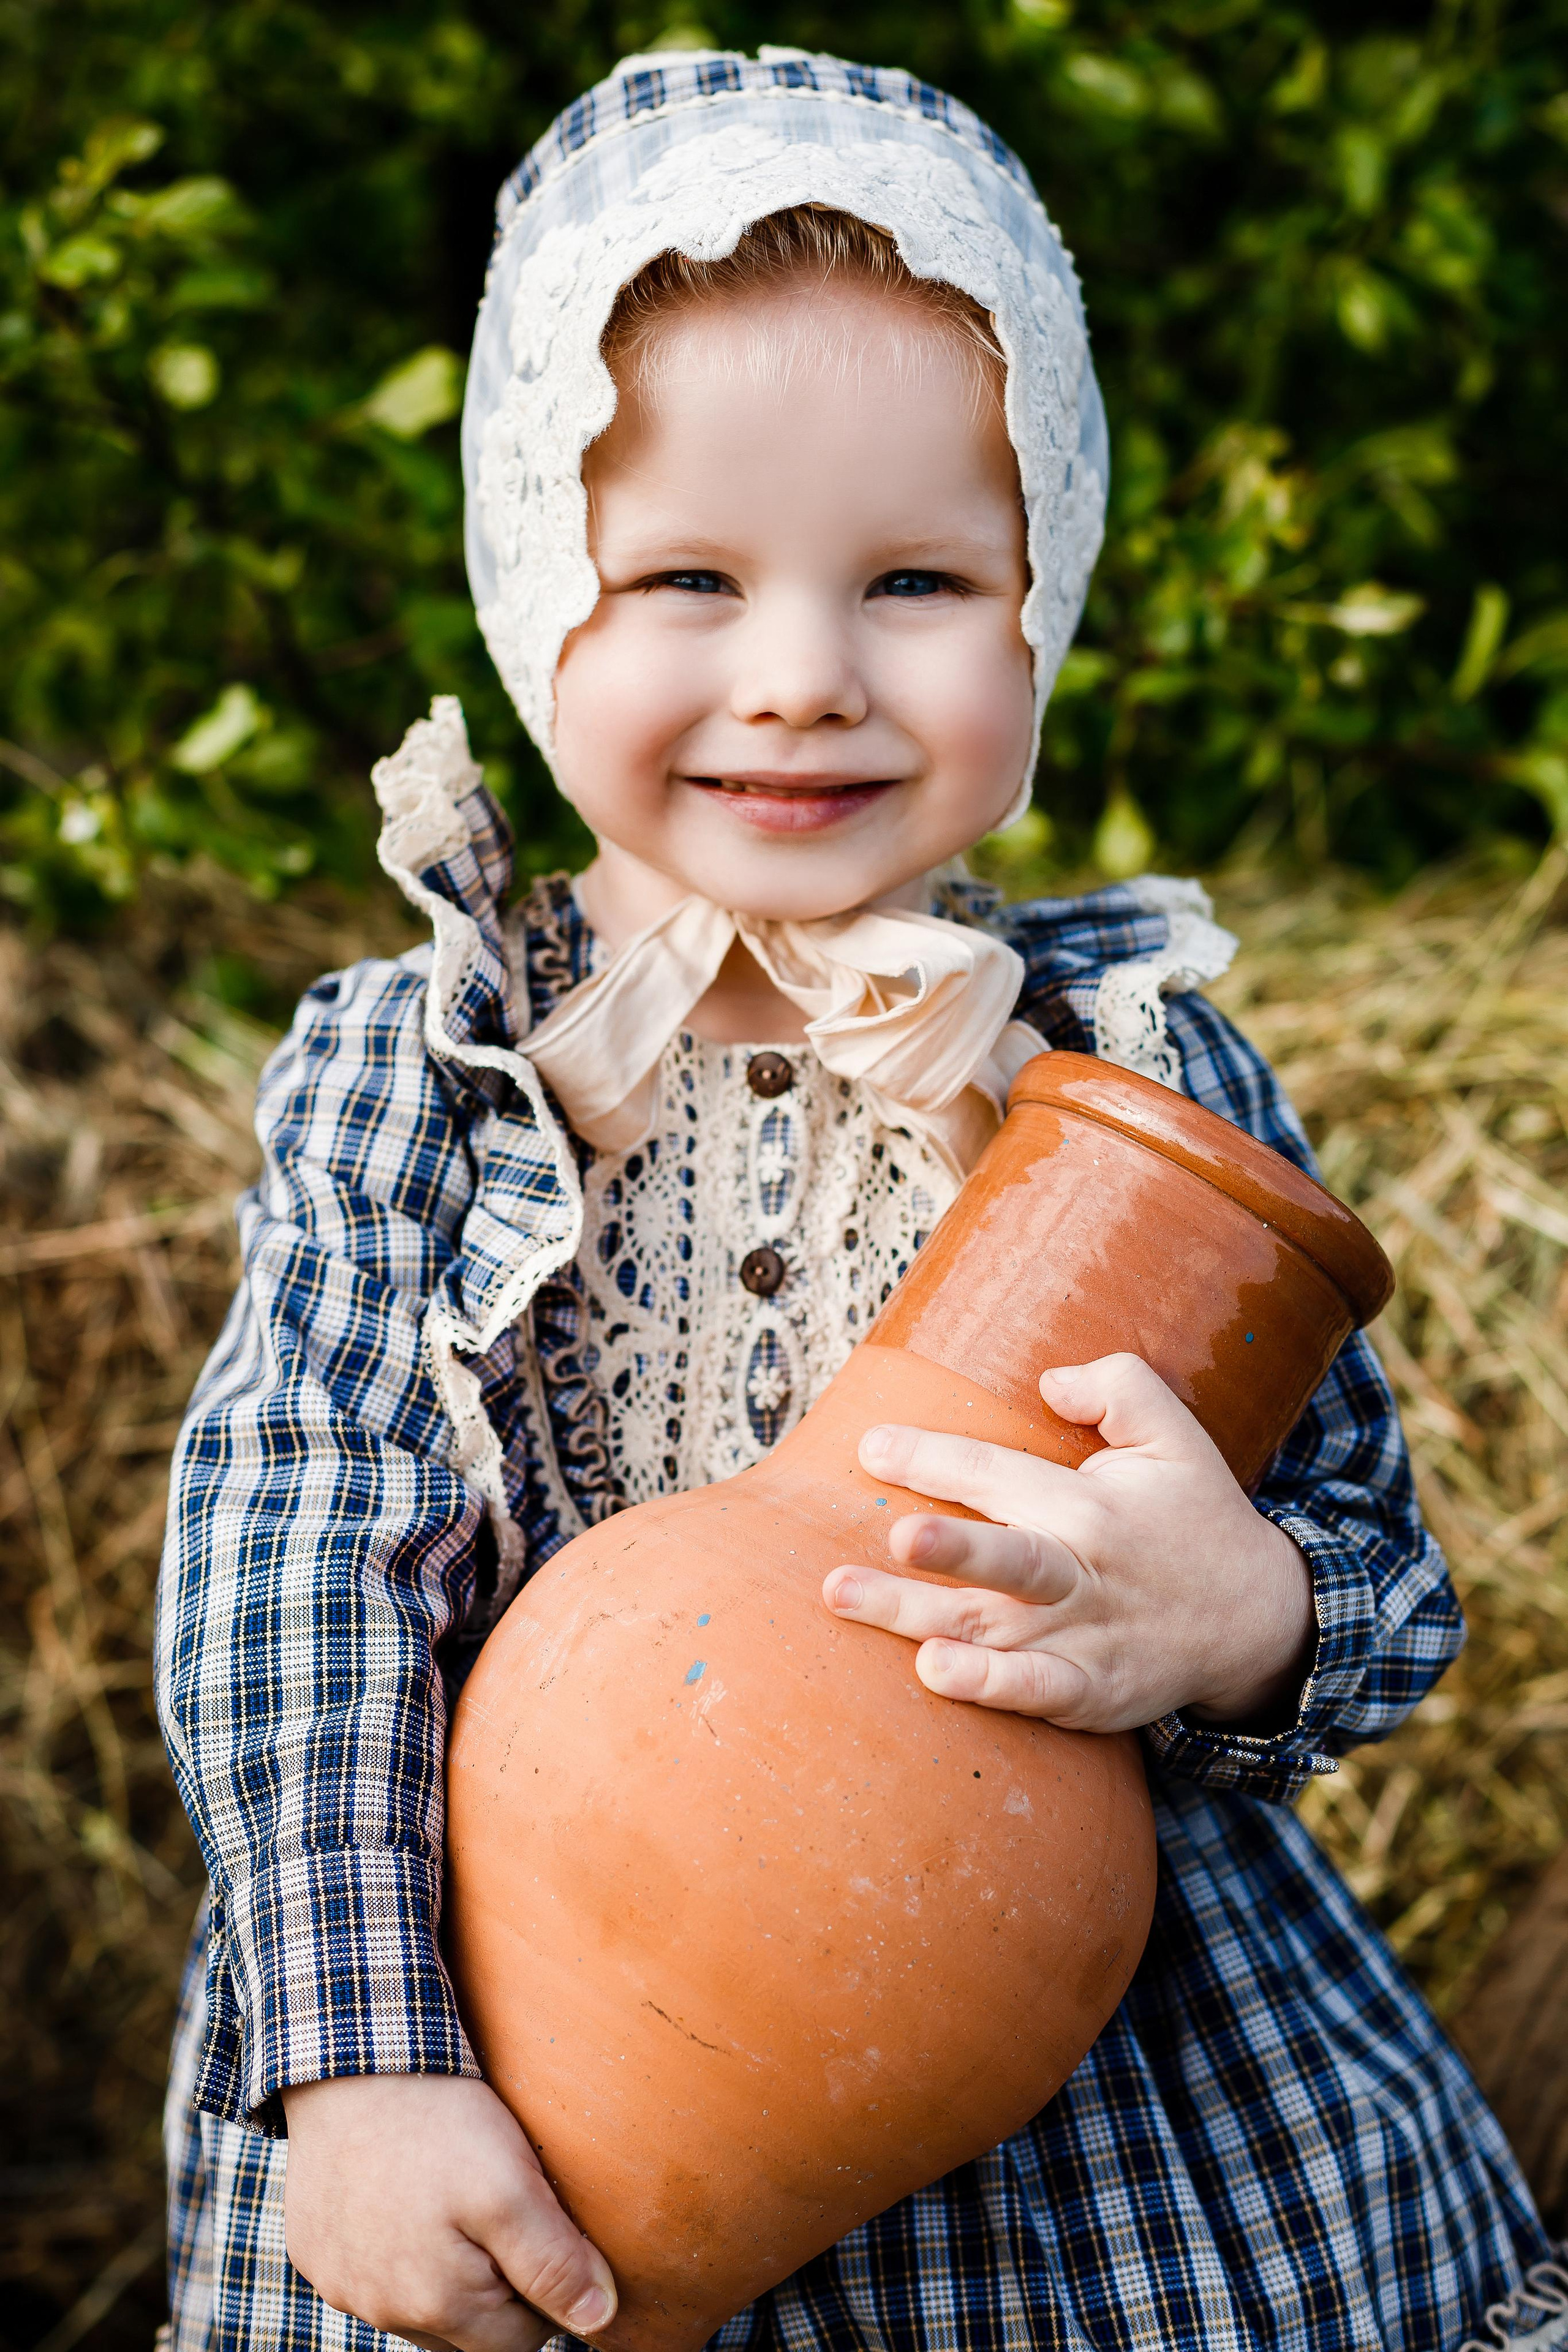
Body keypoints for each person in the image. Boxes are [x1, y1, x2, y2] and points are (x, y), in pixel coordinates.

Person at [154, 47, 1553, 2352]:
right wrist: (360, 2052)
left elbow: (1373, 1565)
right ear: (534, 587)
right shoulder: (425, 1074)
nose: (801, 680)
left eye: (915, 580)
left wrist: (1233, 1621)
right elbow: (293, 1556)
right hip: (529, 2019)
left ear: (1041, 597)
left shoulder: (1127, 1070)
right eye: (688, 580)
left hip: (1074, 2105)